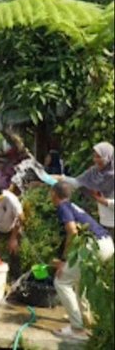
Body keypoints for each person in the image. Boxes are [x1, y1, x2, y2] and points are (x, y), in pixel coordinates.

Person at [50, 181, 114, 340]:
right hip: (107, 243)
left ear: (54, 194)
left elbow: (72, 231)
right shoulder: (73, 205)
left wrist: (64, 260)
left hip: (94, 246)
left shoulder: (63, 207)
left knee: (62, 281)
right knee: (80, 281)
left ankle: (77, 329)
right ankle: (86, 320)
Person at [58, 142, 114, 234]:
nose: (95, 160)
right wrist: (61, 178)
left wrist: (104, 201)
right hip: (104, 221)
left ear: (108, 157)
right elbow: (78, 182)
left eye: (99, 157)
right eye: (94, 156)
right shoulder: (95, 172)